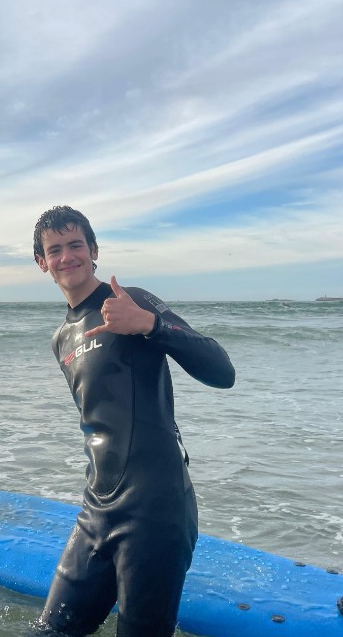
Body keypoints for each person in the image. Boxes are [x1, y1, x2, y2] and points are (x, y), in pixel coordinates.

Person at [32, 205, 235, 637]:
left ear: (93, 251)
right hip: (98, 507)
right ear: (42, 263)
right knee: (50, 631)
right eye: (55, 250)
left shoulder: (131, 302)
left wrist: (149, 325)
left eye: (76, 245)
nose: (67, 256)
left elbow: (222, 371)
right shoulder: (61, 338)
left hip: (155, 507)